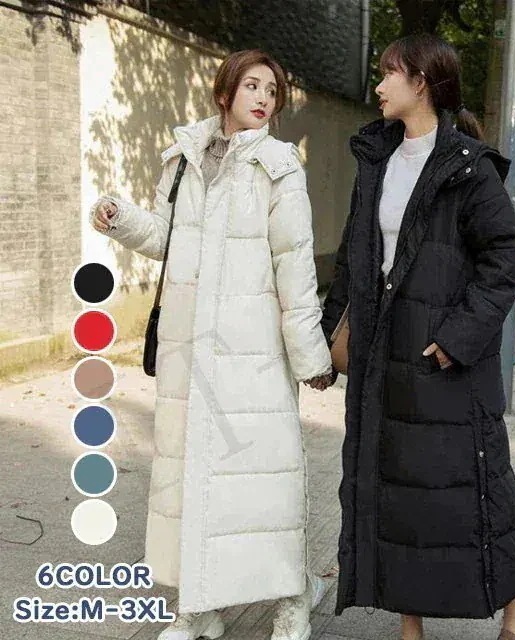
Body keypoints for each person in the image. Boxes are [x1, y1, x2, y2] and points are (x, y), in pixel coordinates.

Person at [91, 49, 334, 640]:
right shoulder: (183, 158)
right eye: (252, 85)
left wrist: (309, 355)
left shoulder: (279, 166)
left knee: (266, 486)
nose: (263, 98)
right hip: (189, 351)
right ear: (225, 92)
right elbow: (168, 238)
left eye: (272, 91)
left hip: (254, 353)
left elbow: (294, 265)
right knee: (191, 481)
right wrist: (122, 218)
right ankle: (199, 607)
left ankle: (292, 599)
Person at [321, 34, 515, 640]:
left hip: (443, 359)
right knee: (396, 491)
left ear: (420, 82)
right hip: (383, 354)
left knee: (473, 489)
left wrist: (458, 337)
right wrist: (326, 339)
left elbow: (504, 259)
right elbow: (353, 257)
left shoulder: (467, 166)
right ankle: (410, 627)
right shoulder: (377, 159)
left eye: (388, 74)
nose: (378, 86)